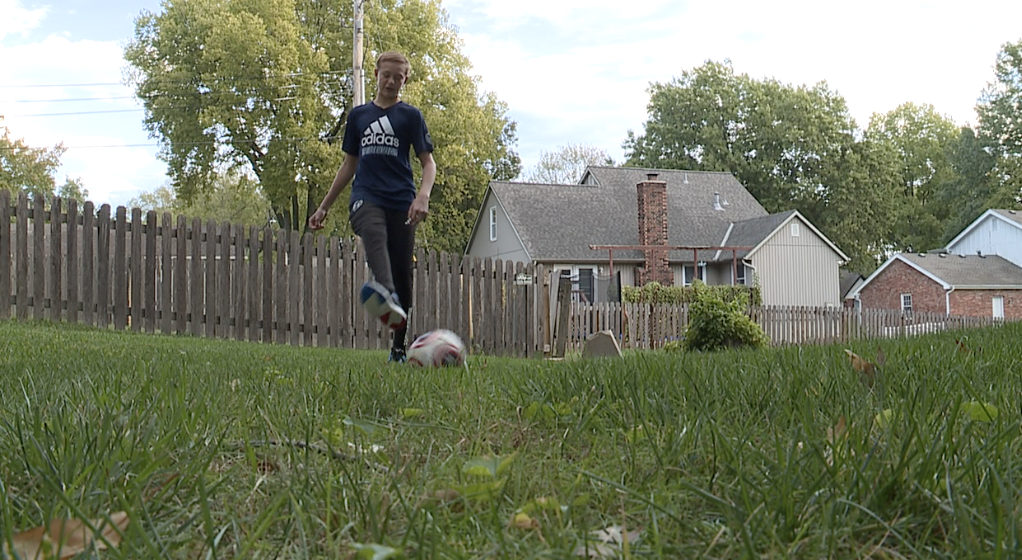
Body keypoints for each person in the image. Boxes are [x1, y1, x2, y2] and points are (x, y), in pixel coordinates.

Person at [309, 51, 436, 364]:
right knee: (372, 231)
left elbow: (428, 163)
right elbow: (349, 165)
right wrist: (324, 206)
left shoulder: (411, 116)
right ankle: (386, 292)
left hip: (402, 202)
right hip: (366, 195)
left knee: (404, 276)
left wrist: (423, 195)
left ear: (405, 80)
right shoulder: (358, 117)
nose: (391, 82)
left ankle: (398, 346)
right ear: (376, 73)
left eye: (398, 77)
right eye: (386, 75)